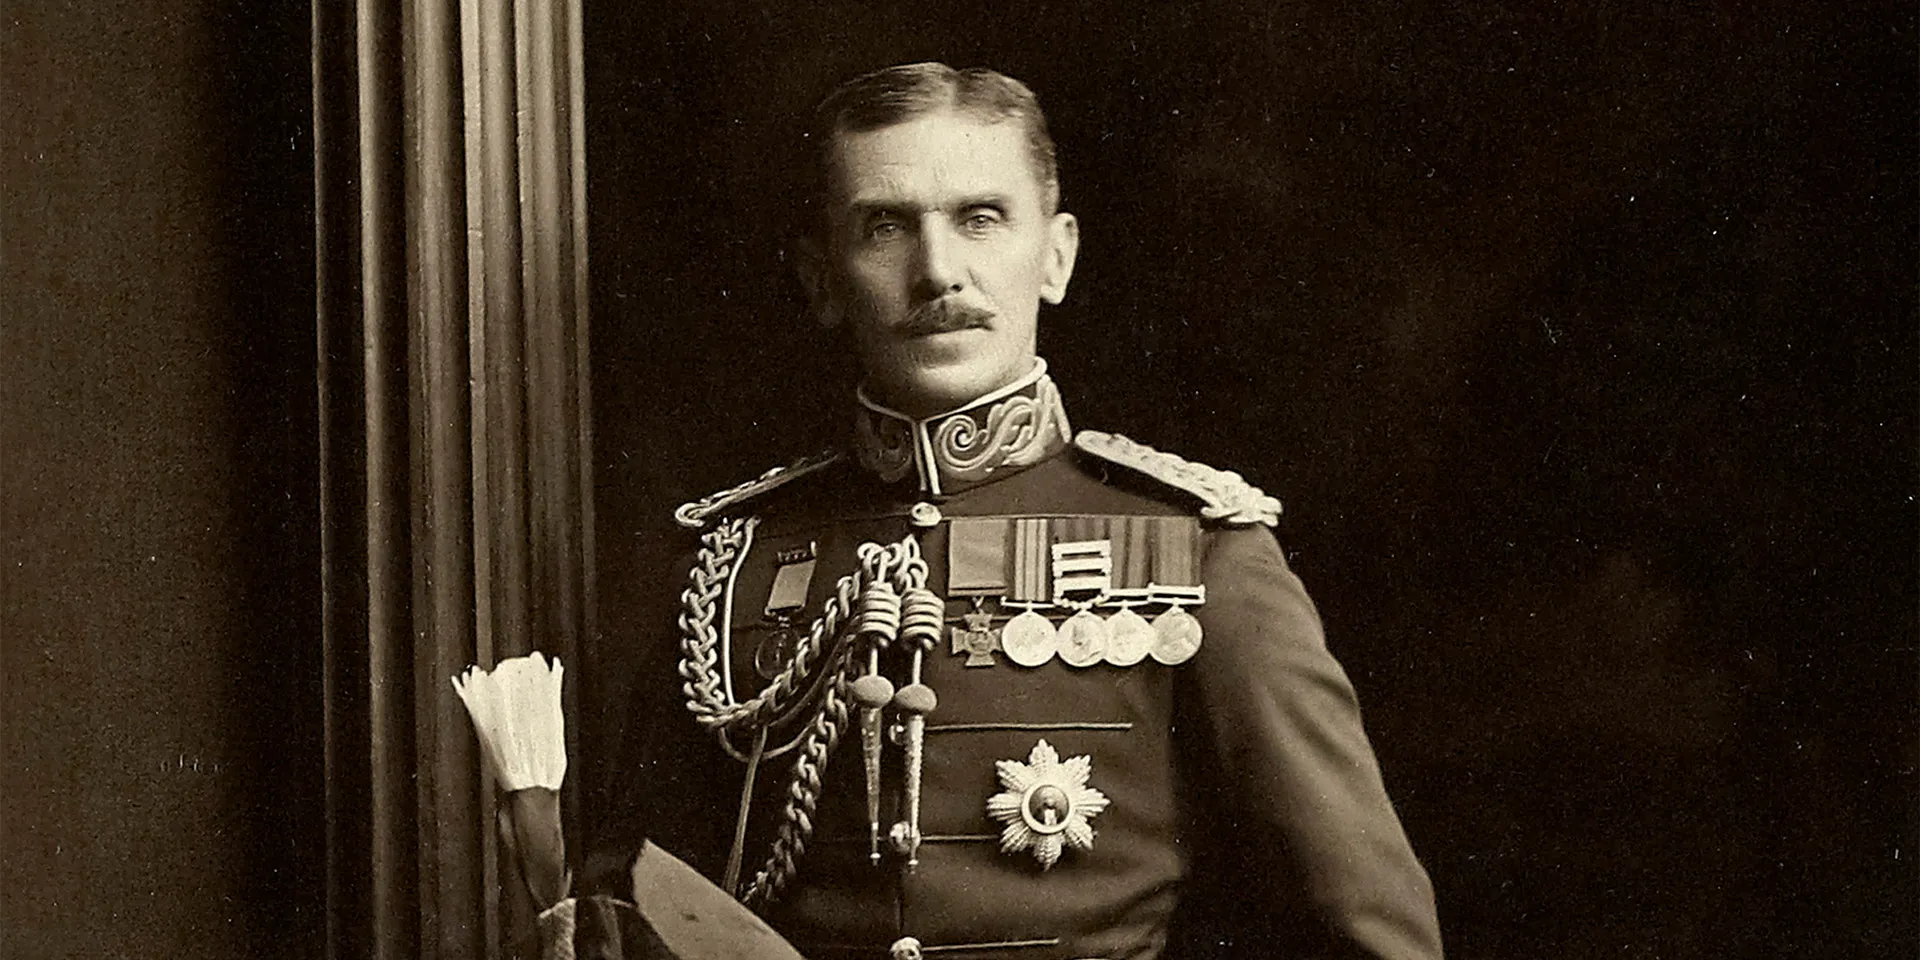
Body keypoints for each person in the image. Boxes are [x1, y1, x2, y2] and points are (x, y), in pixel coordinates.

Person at [569, 62, 1443, 960]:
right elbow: (634, 914)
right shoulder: (733, 565)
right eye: (885, 227)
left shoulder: (1196, 548)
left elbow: (1372, 934)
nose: (939, 271)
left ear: (1056, 256)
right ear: (821, 277)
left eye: (980, 219)